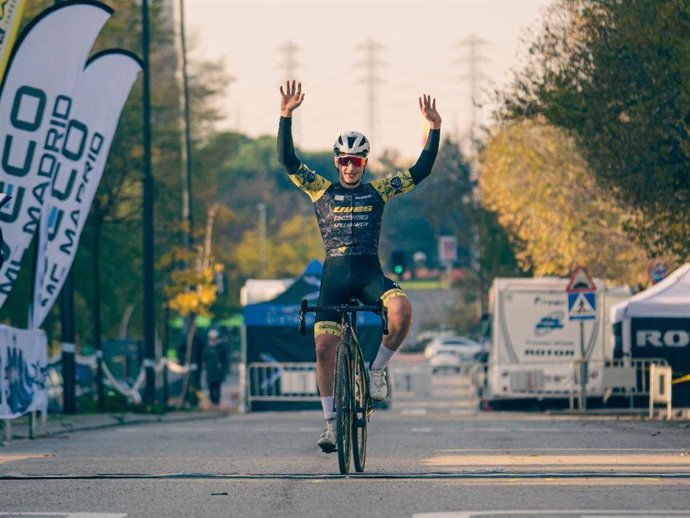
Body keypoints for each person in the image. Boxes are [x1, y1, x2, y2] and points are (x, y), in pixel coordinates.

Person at [277, 80, 442, 453]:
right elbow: (287, 160)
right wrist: (285, 115)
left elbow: (422, 170)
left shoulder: (378, 190)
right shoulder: (320, 189)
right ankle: (332, 424)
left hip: (369, 275)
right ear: (337, 162)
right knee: (323, 348)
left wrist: (434, 128)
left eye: (357, 161)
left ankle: (377, 370)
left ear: (364, 163)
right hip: (334, 277)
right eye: (345, 161)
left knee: (401, 310)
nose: (351, 167)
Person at [203, 328, 228, 406]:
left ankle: (217, 401)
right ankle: (212, 400)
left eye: (215, 338)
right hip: (210, 369)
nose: (213, 339)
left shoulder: (221, 347)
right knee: (211, 385)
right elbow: (204, 358)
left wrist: (224, 369)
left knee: (217, 386)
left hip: (218, 370)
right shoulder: (207, 347)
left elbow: (224, 358)